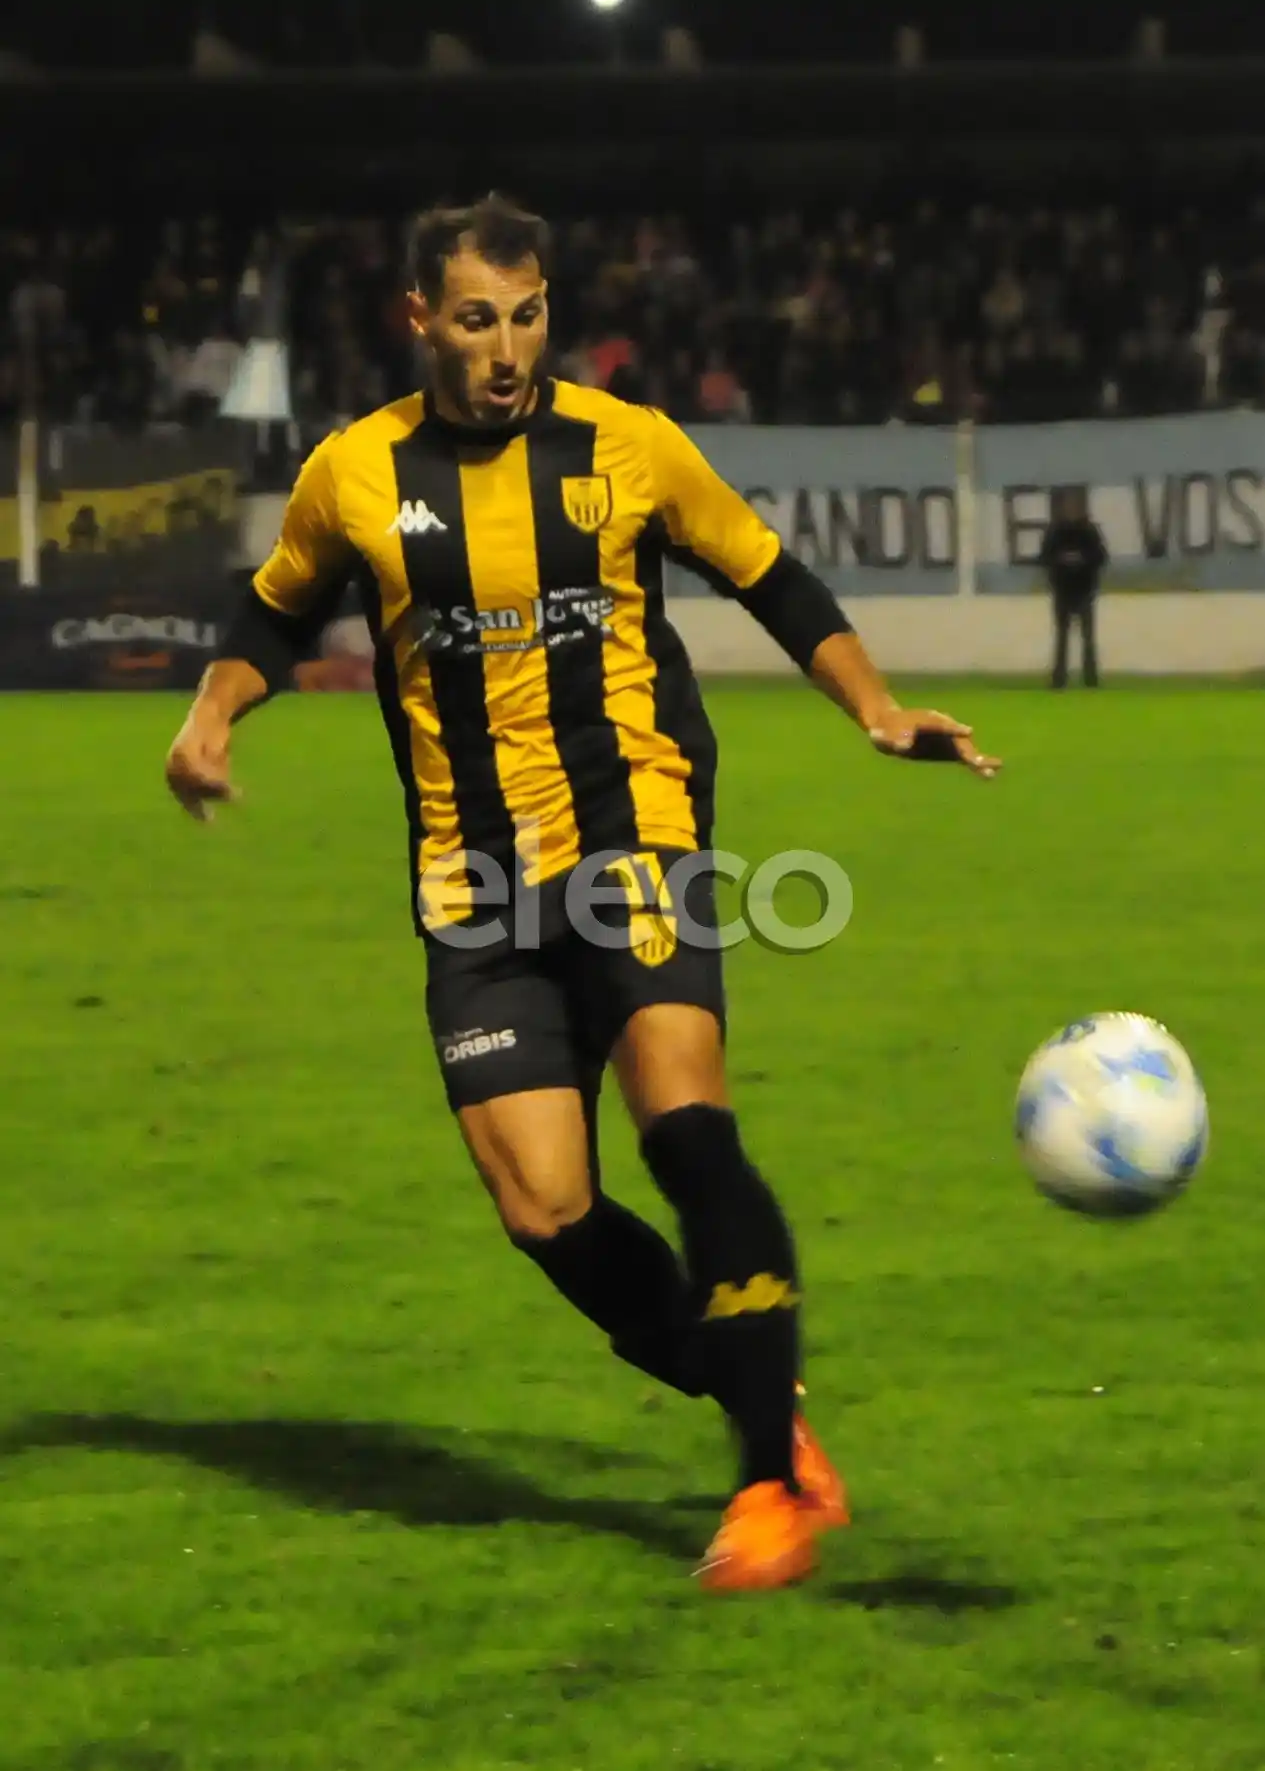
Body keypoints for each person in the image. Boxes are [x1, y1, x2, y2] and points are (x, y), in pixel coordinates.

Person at [165, 195, 1001, 1593]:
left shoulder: (628, 446)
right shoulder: (354, 471)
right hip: (472, 882)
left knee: (684, 1130)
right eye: (480, 318)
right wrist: (212, 715)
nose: (509, 347)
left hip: (632, 833)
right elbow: (275, 604)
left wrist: (874, 706)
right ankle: (768, 1408)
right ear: (419, 318)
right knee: (545, 1208)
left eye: (531, 311)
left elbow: (770, 575)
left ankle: (759, 1489)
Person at [1039, 488, 1108, 689]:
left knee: (1087, 638)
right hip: (1062, 590)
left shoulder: (1089, 531)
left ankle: (1090, 679)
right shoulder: (1056, 532)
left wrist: (1081, 561)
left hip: (1084, 590)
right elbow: (1045, 558)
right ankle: (1059, 679)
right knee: (1062, 637)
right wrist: (1063, 562)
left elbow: (1101, 557)